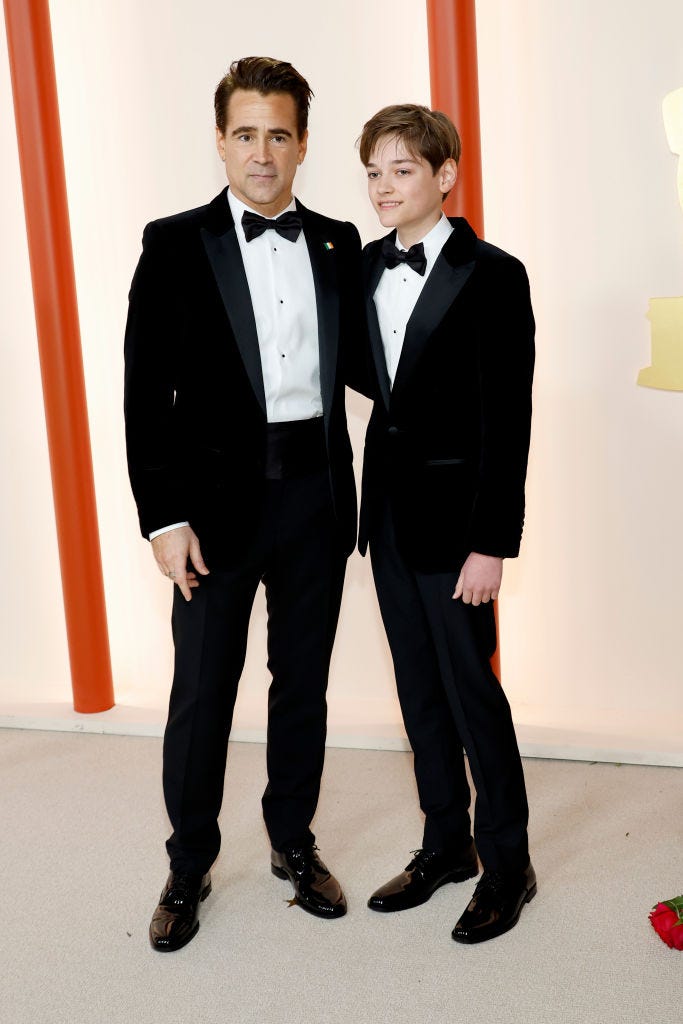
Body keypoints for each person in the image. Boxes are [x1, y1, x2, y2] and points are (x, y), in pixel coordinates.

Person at [124, 57, 363, 951]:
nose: (262, 152)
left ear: (302, 143)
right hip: (213, 511)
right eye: (244, 133)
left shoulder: (341, 241)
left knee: (302, 686)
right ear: (220, 140)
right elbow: (145, 397)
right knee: (202, 694)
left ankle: (292, 844)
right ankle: (188, 865)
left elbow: (383, 360)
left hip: (315, 499)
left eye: (278, 134)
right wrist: (163, 518)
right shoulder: (172, 242)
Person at [357, 104, 536, 943]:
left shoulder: (494, 274)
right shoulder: (359, 270)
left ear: (444, 175)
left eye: (400, 169)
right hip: (386, 523)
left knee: (472, 696)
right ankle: (445, 844)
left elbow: (509, 420)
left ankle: (507, 863)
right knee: (417, 694)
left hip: (460, 530)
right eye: (373, 172)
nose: (383, 187)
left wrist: (491, 542)